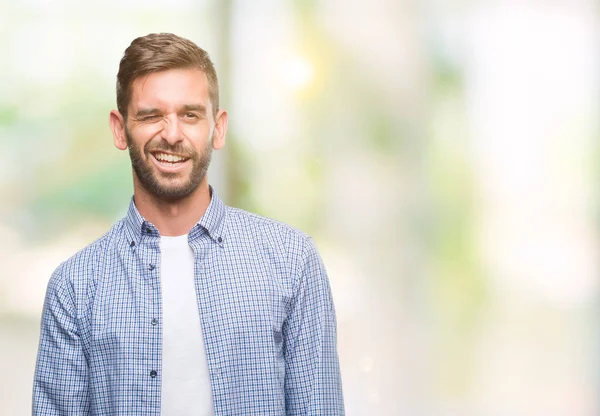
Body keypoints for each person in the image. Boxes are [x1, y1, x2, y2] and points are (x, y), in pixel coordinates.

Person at [32, 33, 344, 415]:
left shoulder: (292, 262)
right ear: (119, 128)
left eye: (190, 114)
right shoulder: (75, 287)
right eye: (151, 115)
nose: (173, 133)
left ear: (218, 128)